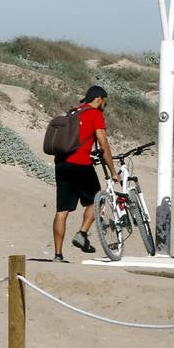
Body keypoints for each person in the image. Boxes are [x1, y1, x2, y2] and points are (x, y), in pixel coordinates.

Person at [52, 85, 119, 262]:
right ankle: (82, 234)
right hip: (81, 164)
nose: (106, 105)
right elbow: (103, 144)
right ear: (99, 99)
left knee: (62, 210)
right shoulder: (95, 114)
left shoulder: (73, 112)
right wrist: (113, 171)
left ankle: (58, 255)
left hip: (61, 164)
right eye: (106, 101)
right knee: (98, 200)